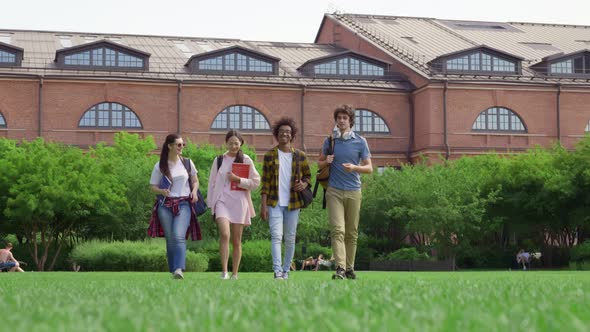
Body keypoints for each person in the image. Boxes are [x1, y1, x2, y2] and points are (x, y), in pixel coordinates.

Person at [318, 105, 372, 280]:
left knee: (351, 232)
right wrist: (326, 160)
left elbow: (369, 168)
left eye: (344, 118)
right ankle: (340, 268)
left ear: (350, 121)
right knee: (337, 230)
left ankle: (349, 268)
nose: (341, 121)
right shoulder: (330, 141)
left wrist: (355, 168)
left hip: (354, 191)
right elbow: (318, 165)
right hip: (333, 191)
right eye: (339, 118)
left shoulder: (360, 141)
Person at [261, 117, 312, 280]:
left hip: (293, 203)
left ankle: (286, 270)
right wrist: (263, 205)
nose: (285, 134)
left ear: (292, 135)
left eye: (288, 132)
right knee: (276, 236)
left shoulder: (300, 156)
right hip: (274, 202)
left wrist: (304, 184)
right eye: (282, 131)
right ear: (277, 134)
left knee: (290, 238)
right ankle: (277, 271)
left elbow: (308, 177)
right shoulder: (269, 155)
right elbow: (265, 182)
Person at [207, 130, 260, 280]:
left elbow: (256, 182)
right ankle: (224, 272)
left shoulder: (246, 159)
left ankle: (234, 274)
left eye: (236, 143)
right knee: (224, 234)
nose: (233, 146)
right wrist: (212, 205)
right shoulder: (219, 160)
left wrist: (238, 180)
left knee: (236, 240)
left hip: (239, 202)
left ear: (241, 144)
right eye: (230, 143)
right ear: (226, 143)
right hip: (221, 201)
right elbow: (212, 183)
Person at [149, 134, 201, 279]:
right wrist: (161, 191)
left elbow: (195, 180)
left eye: (183, 144)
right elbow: (152, 186)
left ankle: (179, 269)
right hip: (165, 205)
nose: (182, 147)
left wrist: (195, 192)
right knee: (170, 238)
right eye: (178, 145)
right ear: (169, 146)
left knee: (178, 235)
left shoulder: (187, 163)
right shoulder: (160, 165)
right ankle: (173, 270)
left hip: (183, 203)